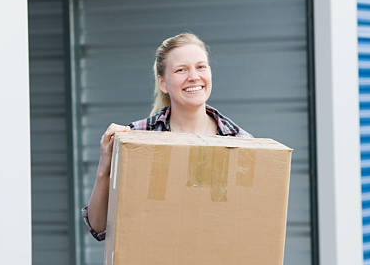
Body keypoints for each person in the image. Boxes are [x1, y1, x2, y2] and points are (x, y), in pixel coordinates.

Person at [81, 33, 252, 241]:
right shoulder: (137, 139)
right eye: (181, 70)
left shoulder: (240, 143)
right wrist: (104, 169)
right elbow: (99, 228)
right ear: (163, 83)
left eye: (201, 67)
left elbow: (251, 223)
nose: (194, 77)